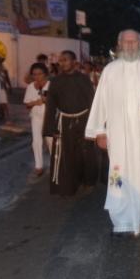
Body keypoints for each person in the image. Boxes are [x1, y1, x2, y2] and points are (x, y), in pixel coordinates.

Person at [85, 30, 140, 237]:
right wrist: (100, 131)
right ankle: (122, 218)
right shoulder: (110, 70)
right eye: (127, 41)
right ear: (119, 44)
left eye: (134, 42)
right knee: (120, 172)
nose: (131, 45)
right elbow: (100, 102)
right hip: (118, 133)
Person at [43, 50, 97, 196]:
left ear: (74, 62)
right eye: (61, 60)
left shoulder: (84, 79)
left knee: (85, 153)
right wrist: (49, 127)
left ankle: (88, 181)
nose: (63, 63)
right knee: (66, 155)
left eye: (66, 60)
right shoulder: (55, 81)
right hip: (64, 121)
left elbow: (92, 101)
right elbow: (51, 105)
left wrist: (93, 125)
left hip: (84, 120)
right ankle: (68, 185)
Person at [23, 62, 52, 177]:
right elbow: (27, 105)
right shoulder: (30, 86)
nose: (37, 77)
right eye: (34, 74)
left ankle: (55, 163)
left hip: (49, 116)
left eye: (40, 74)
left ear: (45, 74)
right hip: (36, 116)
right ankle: (38, 165)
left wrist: (47, 100)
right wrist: (36, 102)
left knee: (50, 140)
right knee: (36, 141)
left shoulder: (51, 85)